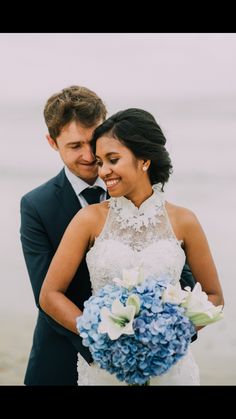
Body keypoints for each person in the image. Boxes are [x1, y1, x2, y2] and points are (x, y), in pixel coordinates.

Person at [39, 108, 224, 385]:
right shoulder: (88, 220)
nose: (103, 171)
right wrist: (98, 333)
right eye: (100, 162)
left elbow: (214, 297)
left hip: (170, 368)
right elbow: (50, 295)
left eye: (113, 160)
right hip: (106, 367)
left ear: (144, 160)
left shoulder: (184, 220)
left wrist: (171, 334)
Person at [20, 85, 108, 385]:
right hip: (59, 358)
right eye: (74, 146)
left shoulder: (136, 190)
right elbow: (46, 298)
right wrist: (106, 349)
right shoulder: (36, 205)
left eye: (93, 141)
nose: (88, 155)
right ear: (52, 142)